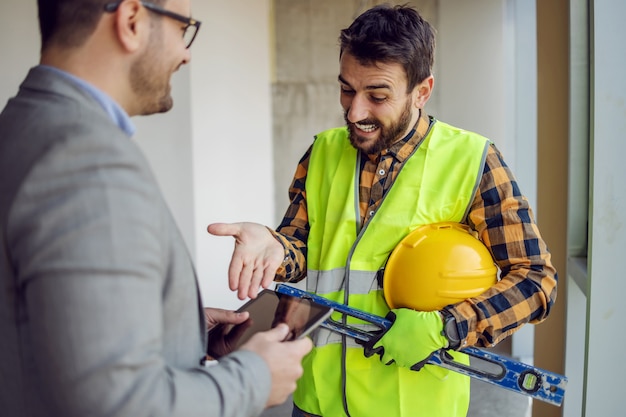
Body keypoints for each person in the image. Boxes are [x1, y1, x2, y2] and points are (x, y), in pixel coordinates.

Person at [207, 4, 557, 417]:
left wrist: (447, 326)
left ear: (421, 91)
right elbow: (302, 248)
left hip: (414, 407)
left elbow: (535, 281)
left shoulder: (474, 160)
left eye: (377, 96)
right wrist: (274, 246)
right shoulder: (321, 152)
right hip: (316, 402)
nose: (355, 112)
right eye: (346, 89)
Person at [0, 1, 312, 416]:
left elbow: (36, 331)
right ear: (131, 21)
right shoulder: (86, 161)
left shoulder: (20, 126)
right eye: (184, 27)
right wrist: (254, 377)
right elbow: (117, 402)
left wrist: (176, 332)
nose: (186, 53)